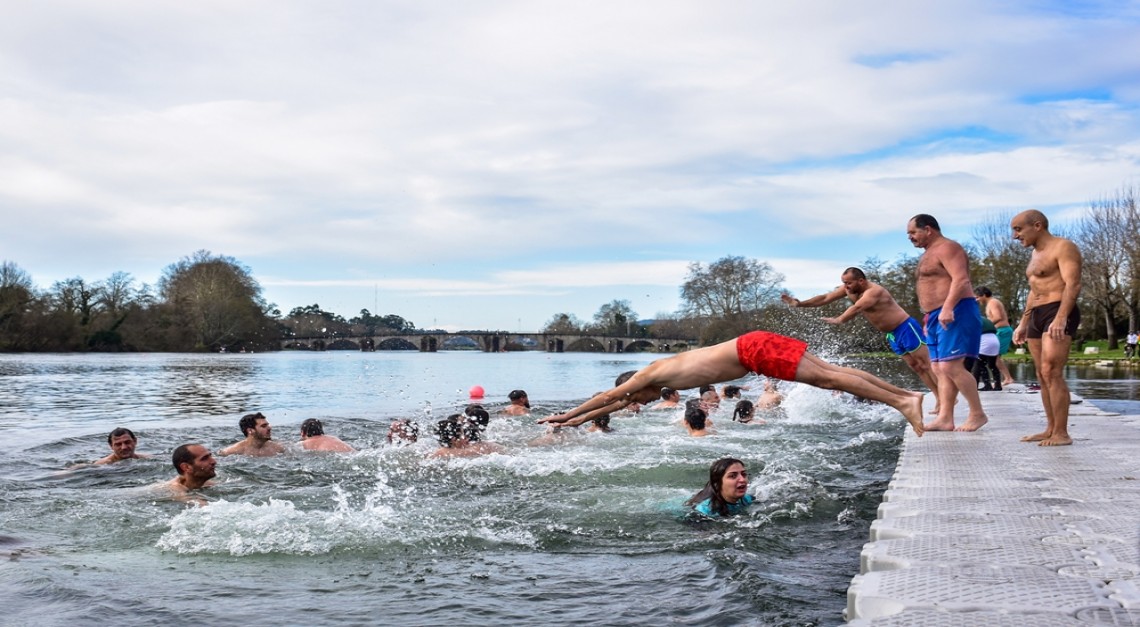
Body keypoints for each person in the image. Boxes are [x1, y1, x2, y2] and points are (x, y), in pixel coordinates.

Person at [539, 330, 924, 437]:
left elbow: (608, 397)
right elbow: (613, 404)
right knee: (833, 371)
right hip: (751, 343)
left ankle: (902, 404)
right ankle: (906, 394)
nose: (629, 403)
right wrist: (571, 423)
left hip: (750, 352)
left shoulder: (647, 376)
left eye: (630, 398)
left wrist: (565, 412)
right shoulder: (657, 377)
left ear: (632, 387)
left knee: (826, 379)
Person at [783, 267, 938, 403]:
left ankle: (946, 400)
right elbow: (825, 298)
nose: (846, 287)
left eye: (849, 283)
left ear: (861, 281)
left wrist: (840, 319)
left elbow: (857, 308)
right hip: (891, 334)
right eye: (844, 282)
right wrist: (800, 304)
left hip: (905, 327)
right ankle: (938, 397)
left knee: (927, 364)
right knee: (917, 367)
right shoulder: (848, 289)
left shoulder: (874, 291)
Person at [908, 214, 988, 432]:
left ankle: (977, 413)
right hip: (934, 316)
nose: (911, 238)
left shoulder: (948, 248)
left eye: (913, 232)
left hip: (956, 310)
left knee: (950, 366)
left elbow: (961, 279)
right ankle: (945, 417)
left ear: (928, 229)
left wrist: (948, 307)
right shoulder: (928, 254)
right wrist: (928, 317)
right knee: (938, 368)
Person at [1012, 209, 1082, 446]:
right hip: (1037, 315)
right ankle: (1050, 428)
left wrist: (1061, 317)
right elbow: (1034, 290)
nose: (1015, 236)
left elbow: (1073, 284)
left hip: (1058, 309)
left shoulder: (1064, 247)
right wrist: (1023, 322)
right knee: (1042, 375)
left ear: (1038, 225)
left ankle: (1062, 433)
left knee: (1052, 371)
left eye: (1018, 229)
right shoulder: (1034, 255)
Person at [975, 286, 1015, 385]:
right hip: (999, 331)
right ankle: (1005, 378)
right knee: (993, 357)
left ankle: (1008, 378)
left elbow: (998, 317)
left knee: (994, 356)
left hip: (1002, 331)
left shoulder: (993, 302)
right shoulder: (991, 303)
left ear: (983, 295)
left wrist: (986, 326)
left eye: (978, 297)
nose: (977, 300)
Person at [685, 457, 753, 517]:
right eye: (732, 476)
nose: (742, 479)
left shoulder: (747, 499)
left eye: (744, 474)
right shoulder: (704, 511)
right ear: (718, 482)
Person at [431, 415, 505, 457]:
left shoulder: (434, 454)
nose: (466, 438)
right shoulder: (468, 452)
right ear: (453, 439)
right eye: (463, 435)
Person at [218, 412, 286, 457]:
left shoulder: (278, 449)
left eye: (268, 425)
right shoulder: (230, 452)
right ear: (250, 431)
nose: (269, 428)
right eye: (263, 426)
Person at [972, 318, 1001, 391]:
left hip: (984, 340)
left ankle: (975, 386)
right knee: (992, 365)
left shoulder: (972, 319)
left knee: (978, 364)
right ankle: (998, 385)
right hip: (995, 340)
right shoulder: (985, 319)